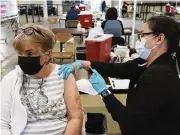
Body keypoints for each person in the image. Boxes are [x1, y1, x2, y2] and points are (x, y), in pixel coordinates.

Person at [58, 16, 180, 135]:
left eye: (143, 35)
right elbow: (119, 69)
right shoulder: (147, 61)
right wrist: (84, 64)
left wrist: (104, 92)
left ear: (159, 39)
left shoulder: (159, 76)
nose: (140, 40)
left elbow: (127, 119)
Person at [0, 24, 83, 135]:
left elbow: (75, 117)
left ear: (47, 54)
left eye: (30, 53)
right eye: (20, 53)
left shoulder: (64, 75)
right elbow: (2, 124)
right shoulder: (10, 80)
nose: (24, 58)